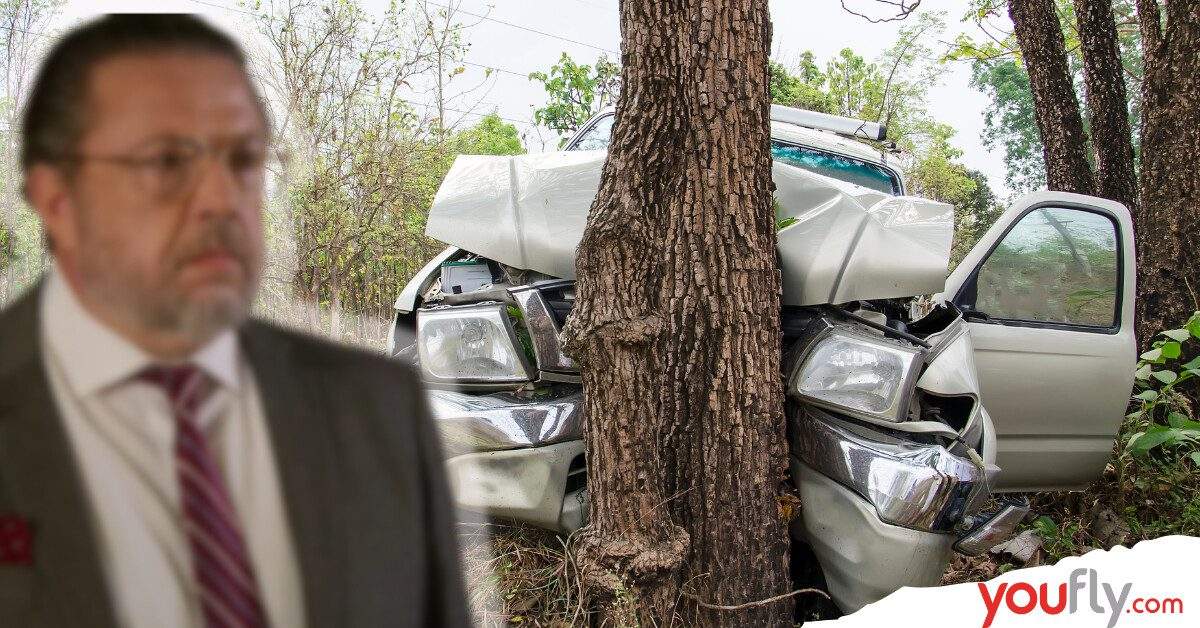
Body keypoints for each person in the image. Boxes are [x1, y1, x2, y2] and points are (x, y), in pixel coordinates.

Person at [0, 14, 469, 628]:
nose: (222, 200)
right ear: (56, 198)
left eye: (244, 159)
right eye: (167, 161)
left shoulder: (380, 411)